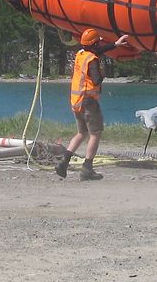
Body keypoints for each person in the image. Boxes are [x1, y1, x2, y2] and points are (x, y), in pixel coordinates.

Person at [55, 28, 130, 181]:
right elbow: (96, 79)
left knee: (81, 133)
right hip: (89, 101)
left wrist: (115, 44)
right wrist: (103, 72)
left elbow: (97, 50)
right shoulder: (93, 60)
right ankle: (87, 168)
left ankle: (64, 162)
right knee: (95, 133)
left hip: (77, 102)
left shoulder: (81, 54)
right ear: (95, 43)